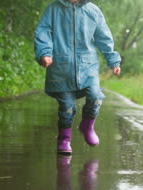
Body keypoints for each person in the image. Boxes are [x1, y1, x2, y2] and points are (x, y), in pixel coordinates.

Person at [34, 0, 122, 154]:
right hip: (60, 67)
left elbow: (103, 37)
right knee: (67, 107)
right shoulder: (54, 9)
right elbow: (43, 32)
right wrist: (45, 53)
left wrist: (113, 60)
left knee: (95, 96)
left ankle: (87, 126)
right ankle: (64, 139)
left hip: (88, 67)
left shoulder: (93, 10)